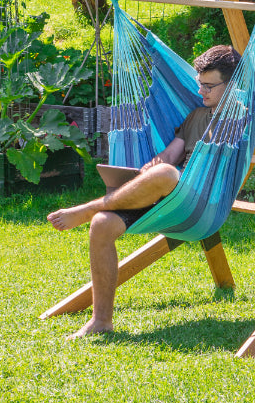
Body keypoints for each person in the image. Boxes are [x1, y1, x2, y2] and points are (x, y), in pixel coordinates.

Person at [47, 44, 241, 339]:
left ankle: (87, 209)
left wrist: (161, 173)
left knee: (163, 176)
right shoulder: (196, 117)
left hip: (201, 202)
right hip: (167, 197)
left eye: (210, 86)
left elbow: (184, 170)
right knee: (103, 224)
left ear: (233, 84)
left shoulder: (242, 120)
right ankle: (101, 320)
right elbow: (169, 157)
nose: (202, 91)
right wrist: (147, 171)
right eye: (200, 84)